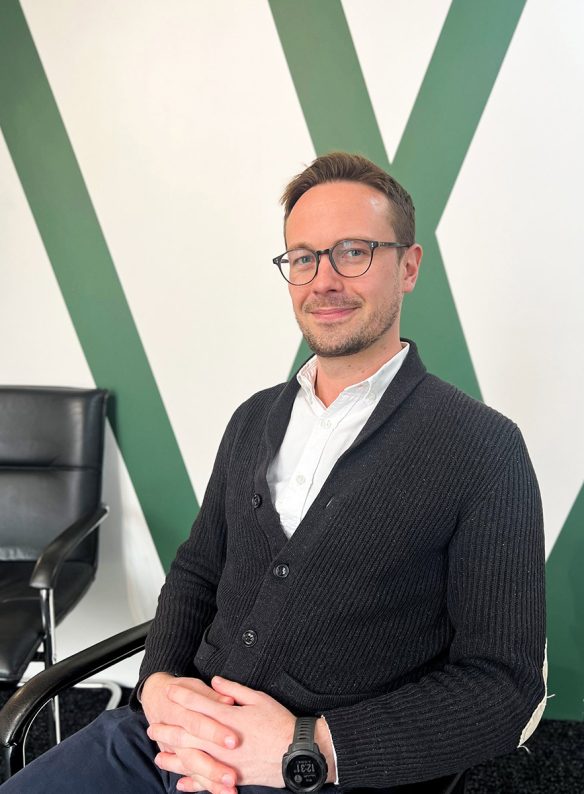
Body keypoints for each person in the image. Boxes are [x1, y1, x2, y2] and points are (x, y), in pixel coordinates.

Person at [1, 152, 546, 794]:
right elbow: (198, 571)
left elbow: (503, 687)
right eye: (303, 258)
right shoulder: (254, 419)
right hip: (167, 742)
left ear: (408, 266)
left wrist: (307, 748)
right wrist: (159, 686)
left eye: (354, 252)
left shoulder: (484, 447)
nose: (323, 281)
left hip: (319, 774)